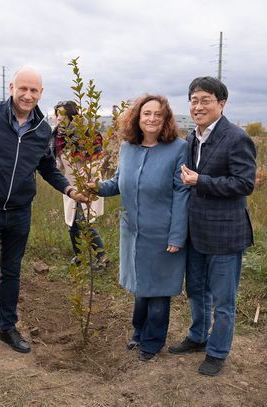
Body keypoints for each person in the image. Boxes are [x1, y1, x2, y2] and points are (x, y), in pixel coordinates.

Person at [0, 66, 86, 356]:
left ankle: (7, 328)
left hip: (20, 212)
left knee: (12, 273)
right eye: (23, 88)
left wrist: (70, 190)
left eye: (34, 90)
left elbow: (47, 167)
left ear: (41, 94)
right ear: (11, 87)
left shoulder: (42, 129)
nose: (27, 95)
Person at [167, 77, 256, 376]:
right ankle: (197, 336)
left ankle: (217, 351)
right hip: (196, 231)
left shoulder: (236, 138)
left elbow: (244, 184)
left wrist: (200, 181)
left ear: (221, 103)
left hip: (225, 233)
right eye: (193, 100)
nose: (198, 106)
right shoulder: (193, 137)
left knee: (223, 299)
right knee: (195, 290)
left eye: (205, 99)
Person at [94, 95, 189, 361]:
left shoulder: (178, 149)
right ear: (137, 117)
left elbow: (182, 194)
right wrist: (94, 187)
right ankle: (138, 331)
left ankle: (152, 341)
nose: (152, 119)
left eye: (158, 114)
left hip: (162, 232)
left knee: (158, 289)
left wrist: (177, 234)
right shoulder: (128, 148)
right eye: (147, 113)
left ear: (166, 118)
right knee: (140, 284)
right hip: (132, 231)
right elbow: (117, 183)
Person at [52, 100, 108, 268]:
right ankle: (80, 257)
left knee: (84, 221)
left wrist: (88, 168)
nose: (58, 118)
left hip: (88, 182)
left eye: (62, 114)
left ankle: (102, 257)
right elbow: (59, 164)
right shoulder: (57, 137)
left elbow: (99, 158)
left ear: (72, 115)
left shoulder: (89, 133)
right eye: (56, 115)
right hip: (70, 185)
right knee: (72, 222)